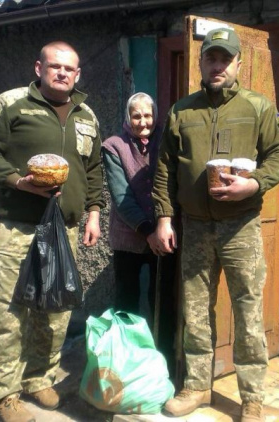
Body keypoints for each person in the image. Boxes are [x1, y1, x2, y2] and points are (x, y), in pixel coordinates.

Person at [152, 28, 279, 422]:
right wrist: (164, 217)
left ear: (238, 64)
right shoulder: (182, 111)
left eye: (225, 59)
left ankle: (252, 397)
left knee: (248, 311)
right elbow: (163, 169)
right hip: (195, 226)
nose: (217, 66)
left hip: (240, 227)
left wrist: (254, 183)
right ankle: (197, 386)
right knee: (195, 312)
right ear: (201, 62)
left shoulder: (258, 107)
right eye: (211, 58)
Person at [0, 41, 104, 422]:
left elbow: (92, 170)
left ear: (78, 75)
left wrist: (94, 212)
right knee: (9, 312)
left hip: (65, 229)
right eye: (55, 66)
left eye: (69, 68)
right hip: (18, 227)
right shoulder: (12, 103)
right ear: (39, 68)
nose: (62, 73)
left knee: (56, 310)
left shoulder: (86, 115)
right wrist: (17, 181)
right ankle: (4, 394)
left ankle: (39, 377)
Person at [101, 92, 175, 369]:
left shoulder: (167, 142)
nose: (143, 121)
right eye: (136, 115)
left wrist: (161, 228)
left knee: (162, 301)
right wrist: (148, 231)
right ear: (127, 118)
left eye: (148, 115)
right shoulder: (113, 146)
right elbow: (122, 196)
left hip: (164, 234)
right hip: (128, 236)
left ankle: (163, 360)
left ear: (155, 117)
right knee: (126, 301)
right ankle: (125, 361)